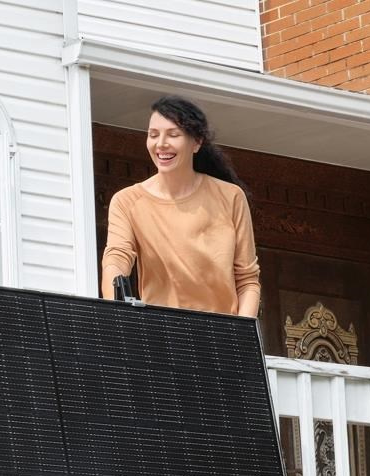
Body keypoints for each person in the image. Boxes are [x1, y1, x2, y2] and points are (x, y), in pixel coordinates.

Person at [100, 95, 261, 317]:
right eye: (153, 135)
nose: (161, 143)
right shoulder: (127, 201)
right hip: (162, 330)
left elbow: (247, 280)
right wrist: (117, 313)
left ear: (197, 142)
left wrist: (241, 332)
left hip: (223, 331)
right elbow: (117, 259)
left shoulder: (231, 196)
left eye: (173, 135)